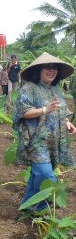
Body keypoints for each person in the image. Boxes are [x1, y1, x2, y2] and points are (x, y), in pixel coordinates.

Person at [13, 52, 76, 211]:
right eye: (47, 67)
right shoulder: (29, 88)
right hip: (36, 141)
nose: (51, 71)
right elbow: (23, 112)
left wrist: (67, 122)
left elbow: (61, 111)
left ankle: (25, 207)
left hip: (53, 141)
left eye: (54, 68)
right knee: (46, 175)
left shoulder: (57, 89)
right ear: (38, 70)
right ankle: (42, 209)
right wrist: (44, 109)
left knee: (37, 175)